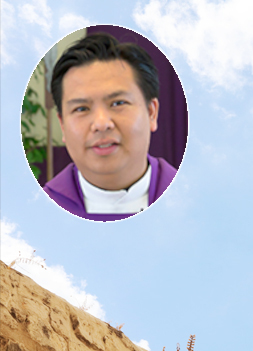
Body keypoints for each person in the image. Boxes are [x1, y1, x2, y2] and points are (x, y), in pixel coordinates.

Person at [43, 32, 177, 221]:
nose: (101, 124)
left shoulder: (193, 201)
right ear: (63, 125)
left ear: (151, 113)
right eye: (81, 108)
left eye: (118, 103)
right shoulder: (37, 214)